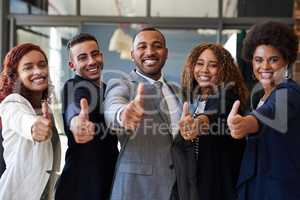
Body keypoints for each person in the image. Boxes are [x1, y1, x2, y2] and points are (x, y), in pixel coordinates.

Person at [104, 27, 198, 200]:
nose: (150, 52)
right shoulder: (122, 84)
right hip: (138, 189)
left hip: (179, 187)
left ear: (166, 53)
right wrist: (123, 115)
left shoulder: (175, 90)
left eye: (157, 46)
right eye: (142, 46)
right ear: (132, 54)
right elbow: (113, 107)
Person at [227, 21, 300, 200]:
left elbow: (270, 114)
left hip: (278, 191)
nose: (265, 66)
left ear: (286, 61)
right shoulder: (261, 96)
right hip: (257, 184)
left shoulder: (289, 92)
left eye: (273, 60)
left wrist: (245, 123)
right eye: (258, 60)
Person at [55, 33, 119, 200]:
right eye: (82, 57)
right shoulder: (73, 86)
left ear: (101, 56)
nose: (91, 61)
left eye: (95, 54)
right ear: (72, 65)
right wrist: (77, 121)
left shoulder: (107, 89)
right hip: (79, 187)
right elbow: (75, 107)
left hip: (106, 183)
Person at [181, 43, 248, 200]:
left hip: (220, 188)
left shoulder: (226, 95)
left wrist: (198, 123)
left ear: (224, 70)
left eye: (213, 65)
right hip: (202, 183)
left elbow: (215, 116)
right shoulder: (198, 100)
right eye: (199, 63)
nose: (204, 70)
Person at [0, 43, 61, 200]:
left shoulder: (44, 109)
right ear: (15, 76)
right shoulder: (12, 103)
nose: (38, 71)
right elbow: (21, 119)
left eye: (42, 65)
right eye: (28, 67)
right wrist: (33, 127)